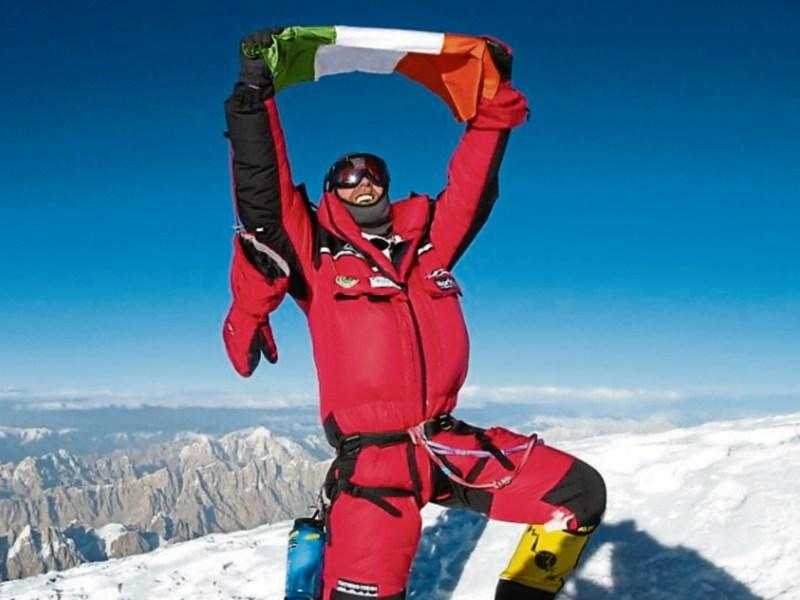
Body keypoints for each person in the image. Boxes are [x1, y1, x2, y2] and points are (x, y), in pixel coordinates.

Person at [223, 28, 606, 600]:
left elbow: (474, 186)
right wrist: (255, 96)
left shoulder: (431, 246)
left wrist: (492, 108)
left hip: (445, 446)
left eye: (372, 174)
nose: (362, 184)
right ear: (330, 193)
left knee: (578, 495)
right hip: (374, 469)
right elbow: (263, 195)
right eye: (346, 178)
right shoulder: (318, 256)